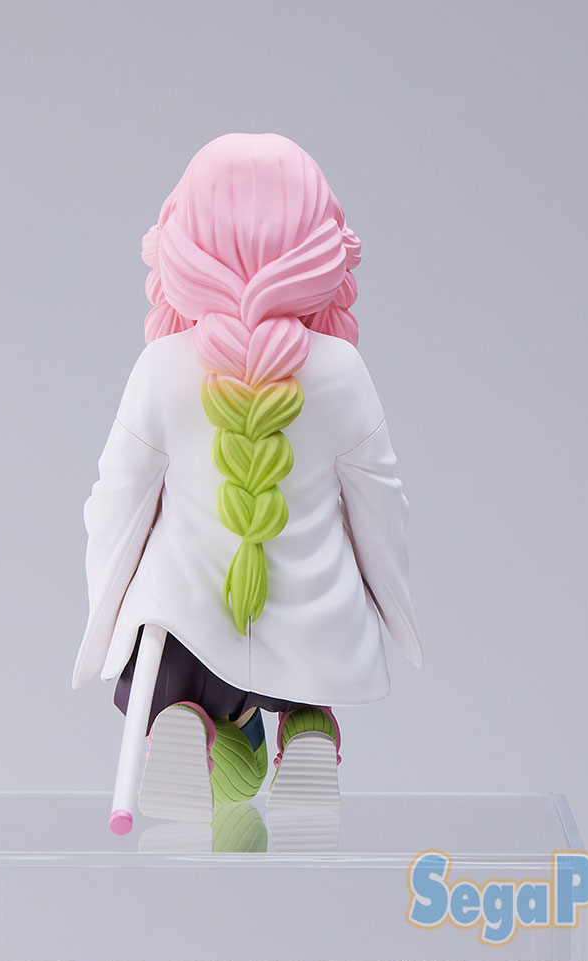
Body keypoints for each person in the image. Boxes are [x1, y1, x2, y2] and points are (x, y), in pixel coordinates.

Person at [73, 133, 421, 819]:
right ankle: (308, 730)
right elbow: (381, 505)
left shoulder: (161, 369)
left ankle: (183, 722)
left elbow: (116, 502)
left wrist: (104, 616)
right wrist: (394, 608)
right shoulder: (342, 372)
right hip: (317, 629)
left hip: (184, 623)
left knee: (179, 682)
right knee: (303, 692)